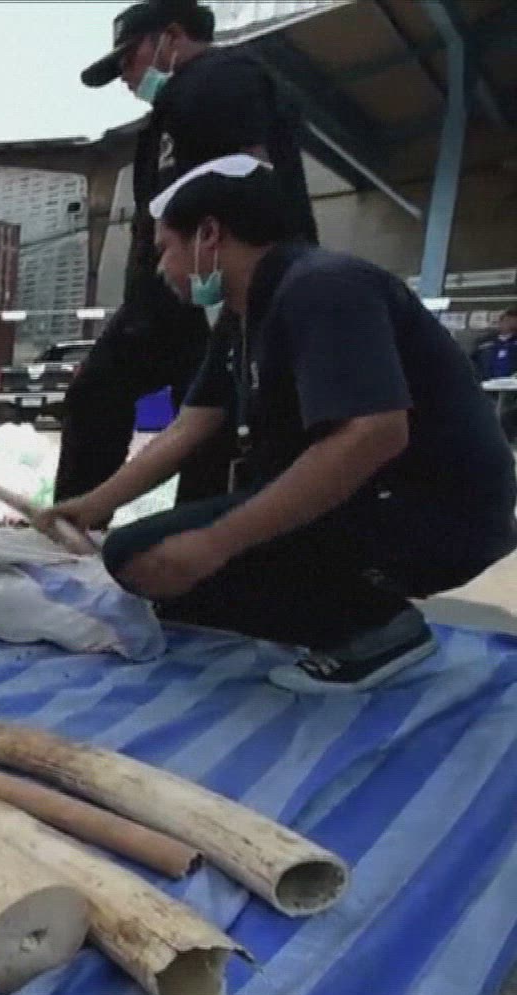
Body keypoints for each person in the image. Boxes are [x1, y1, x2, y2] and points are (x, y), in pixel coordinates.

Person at [40, 157, 516, 693]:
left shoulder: (324, 288)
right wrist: (91, 505)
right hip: (369, 501)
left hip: (433, 512)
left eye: (165, 248)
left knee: (147, 556)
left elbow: (374, 433)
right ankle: (350, 607)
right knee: (165, 581)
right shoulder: (243, 315)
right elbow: (188, 429)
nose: (162, 268)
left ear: (209, 234)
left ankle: (375, 627)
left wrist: (217, 541)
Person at [60, 0, 316, 506]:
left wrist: (222, 294)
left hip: (209, 293)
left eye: (129, 58)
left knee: (199, 421)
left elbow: (248, 180)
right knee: (181, 417)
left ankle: (193, 534)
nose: (125, 76)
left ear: (172, 37)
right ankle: (89, 518)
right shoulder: (175, 105)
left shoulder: (219, 81)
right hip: (170, 297)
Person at [475, 306, 517, 441]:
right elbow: (472, 361)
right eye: (507, 320)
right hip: (486, 387)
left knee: (506, 414)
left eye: (513, 321)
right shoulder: (485, 342)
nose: (510, 324)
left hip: (512, 392)